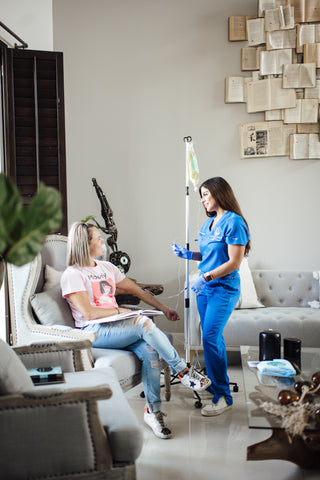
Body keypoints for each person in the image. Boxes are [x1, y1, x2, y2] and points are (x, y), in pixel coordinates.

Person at [61, 221, 211, 439]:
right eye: (97, 237)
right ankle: (183, 371)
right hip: (94, 331)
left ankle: (153, 411)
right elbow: (89, 314)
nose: (103, 240)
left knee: (150, 350)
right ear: (85, 243)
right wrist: (118, 310)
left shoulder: (107, 268)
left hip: (116, 325)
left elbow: (138, 291)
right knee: (141, 322)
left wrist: (164, 308)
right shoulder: (72, 274)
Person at [171, 177, 250, 416]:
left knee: (210, 338)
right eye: (201, 195)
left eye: (206, 194)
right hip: (206, 291)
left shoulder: (234, 222)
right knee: (212, 339)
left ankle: (223, 397)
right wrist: (189, 255)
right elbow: (208, 256)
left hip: (223, 289)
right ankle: (217, 385)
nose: (203, 200)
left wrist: (204, 278)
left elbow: (234, 262)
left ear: (219, 193)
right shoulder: (208, 225)